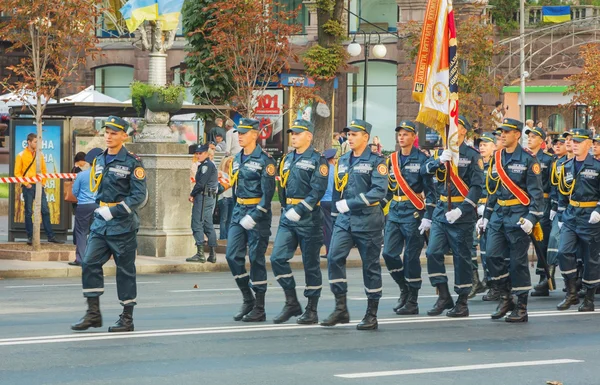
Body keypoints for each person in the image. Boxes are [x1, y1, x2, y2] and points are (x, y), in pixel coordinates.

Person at [71, 116, 147, 333]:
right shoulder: (100, 160)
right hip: (100, 224)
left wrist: (112, 211)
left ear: (124, 135)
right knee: (89, 262)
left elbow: (138, 197)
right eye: (107, 132)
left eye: (114, 133)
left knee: (125, 271)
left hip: (122, 225)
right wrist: (99, 208)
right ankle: (93, 313)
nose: (109, 136)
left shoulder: (133, 162)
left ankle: (127, 318)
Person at [321, 119, 388, 330]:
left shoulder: (377, 161)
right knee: (333, 257)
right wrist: (334, 214)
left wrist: (349, 203)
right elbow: (338, 189)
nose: (349, 138)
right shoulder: (343, 160)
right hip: (344, 221)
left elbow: (379, 191)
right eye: (348, 134)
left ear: (365, 137)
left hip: (368, 220)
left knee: (370, 267)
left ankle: (371, 314)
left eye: (354, 134)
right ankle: (341, 307)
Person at [481, 118, 544, 323]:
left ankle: (522, 306)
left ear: (517, 134)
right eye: (501, 132)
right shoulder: (497, 157)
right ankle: (506, 296)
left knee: (517, 262)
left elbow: (536, 193)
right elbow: (493, 190)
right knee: (491, 256)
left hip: (518, 216)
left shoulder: (528, 160)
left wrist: (531, 217)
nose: (502, 135)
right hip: (499, 214)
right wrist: (486, 216)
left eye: (507, 132)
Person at [270, 119, 328, 324]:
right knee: (277, 258)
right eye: (292, 133)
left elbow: (317, 190)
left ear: (309, 136)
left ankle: (312, 309)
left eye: (298, 133)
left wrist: (301, 209)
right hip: (289, 217)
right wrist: (286, 207)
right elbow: (282, 186)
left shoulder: (317, 160)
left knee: (310, 265)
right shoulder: (286, 159)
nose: (293, 136)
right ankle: (292, 301)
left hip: (308, 218)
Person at [424, 116, 483, 318]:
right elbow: (426, 172)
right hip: (442, 210)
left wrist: (462, 209)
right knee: (432, 252)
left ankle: (462, 301)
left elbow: (477, 187)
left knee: (461, 258)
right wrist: (438, 161)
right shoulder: (442, 153)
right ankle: (443, 295)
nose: (451, 132)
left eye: (455, 128)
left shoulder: (472, 155)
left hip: (461, 213)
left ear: (464, 131)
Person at [381, 120, 435, 316]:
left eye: (406, 134)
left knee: (411, 258)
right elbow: (388, 188)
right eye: (400, 134)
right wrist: (379, 206)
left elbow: (431, 191)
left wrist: (428, 216)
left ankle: (412, 300)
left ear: (414, 137)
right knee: (388, 254)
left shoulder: (422, 159)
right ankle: (404, 288)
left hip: (414, 212)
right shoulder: (391, 159)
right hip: (395, 210)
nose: (401, 137)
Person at [226, 118, 276, 322]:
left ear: (255, 135)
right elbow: (235, 184)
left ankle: (260, 307)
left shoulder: (265, 160)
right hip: (239, 211)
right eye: (239, 132)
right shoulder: (237, 158)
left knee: (256, 259)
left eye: (244, 133)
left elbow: (268, 194)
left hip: (258, 214)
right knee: (231, 256)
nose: (240, 136)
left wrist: (255, 215)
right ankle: (248, 298)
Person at [555, 129, 600, 312]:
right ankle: (571, 292)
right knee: (563, 252)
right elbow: (562, 193)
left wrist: (598, 210)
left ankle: (588, 298)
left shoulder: (597, 167)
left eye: (579, 142)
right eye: (573, 141)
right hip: (571, 214)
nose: (574, 144)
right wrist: (560, 216)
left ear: (588, 144)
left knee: (590, 259)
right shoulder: (566, 166)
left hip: (590, 217)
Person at [15, 133, 64, 245]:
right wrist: (26, 184)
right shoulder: (21, 155)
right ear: (29, 142)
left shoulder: (40, 154)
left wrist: (42, 183)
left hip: (38, 185)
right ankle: (30, 237)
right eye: (36, 142)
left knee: (45, 210)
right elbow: (17, 173)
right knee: (28, 212)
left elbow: (44, 170)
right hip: (28, 187)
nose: (37, 144)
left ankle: (50, 236)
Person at [526, 126, 555, 297]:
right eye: (528, 136)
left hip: (543, 202)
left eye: (533, 137)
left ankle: (545, 278)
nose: (529, 139)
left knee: (542, 242)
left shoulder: (548, 159)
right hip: (528, 202)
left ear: (541, 141)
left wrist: (551, 205)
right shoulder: (526, 157)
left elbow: (552, 184)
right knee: (532, 242)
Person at [469, 132, 497, 299]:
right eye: (480, 144)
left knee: (490, 249)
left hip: (491, 210)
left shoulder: (497, 165)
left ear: (494, 146)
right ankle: (476, 281)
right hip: (473, 209)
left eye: (486, 144)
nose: (482, 147)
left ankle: (493, 283)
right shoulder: (476, 164)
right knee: (471, 245)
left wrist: (485, 209)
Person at [542, 136, 568, 296]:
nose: (558, 146)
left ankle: (576, 281)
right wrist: (553, 206)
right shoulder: (556, 163)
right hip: (560, 206)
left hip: (580, 208)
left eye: (562, 144)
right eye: (556, 143)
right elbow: (554, 187)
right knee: (553, 239)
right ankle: (549, 277)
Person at [69, 148, 103, 267]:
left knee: (81, 233)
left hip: (83, 206)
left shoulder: (81, 175)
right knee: (95, 232)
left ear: (88, 162)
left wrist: (82, 197)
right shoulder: (102, 176)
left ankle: (80, 259)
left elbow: (75, 191)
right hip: (98, 206)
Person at [186, 144, 219, 264]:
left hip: (203, 196)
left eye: (200, 153)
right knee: (207, 224)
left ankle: (200, 253)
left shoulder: (206, 166)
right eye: (197, 153)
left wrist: (192, 194)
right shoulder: (208, 165)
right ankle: (212, 253)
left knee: (197, 222)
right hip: (208, 196)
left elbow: (201, 183)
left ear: (206, 153)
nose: (198, 155)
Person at [320, 148, 337, 258]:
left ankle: (329, 251)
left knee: (327, 228)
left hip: (324, 201)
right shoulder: (336, 170)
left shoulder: (323, 171)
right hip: (335, 201)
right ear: (333, 159)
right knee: (335, 226)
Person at [217, 156, 234, 240]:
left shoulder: (233, 173)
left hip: (231, 197)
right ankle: (223, 237)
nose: (231, 163)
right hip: (223, 197)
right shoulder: (221, 173)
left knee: (230, 219)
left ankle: (228, 237)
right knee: (224, 218)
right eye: (229, 161)